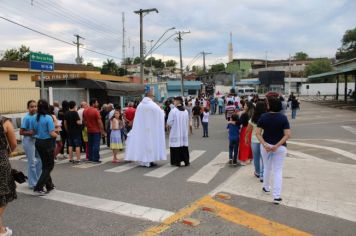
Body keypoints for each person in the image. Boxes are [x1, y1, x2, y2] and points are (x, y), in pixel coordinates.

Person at [256, 97, 291, 205]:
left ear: (269, 105)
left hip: (266, 146)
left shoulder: (263, 117)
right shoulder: (283, 118)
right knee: (278, 171)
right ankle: (277, 196)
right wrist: (276, 145)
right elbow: (287, 135)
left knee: (267, 167)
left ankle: (266, 187)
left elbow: (257, 133)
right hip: (280, 147)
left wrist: (265, 144)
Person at [125, 88, 166, 167]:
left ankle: (143, 161)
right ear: (151, 96)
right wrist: (162, 112)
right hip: (151, 129)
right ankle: (149, 160)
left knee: (143, 144)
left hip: (142, 129)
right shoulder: (153, 105)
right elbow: (160, 114)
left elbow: (137, 118)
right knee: (150, 144)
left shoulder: (140, 105)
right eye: (153, 95)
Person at [32, 99, 58, 195]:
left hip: (38, 142)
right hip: (47, 143)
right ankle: (39, 187)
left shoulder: (35, 117)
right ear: (47, 107)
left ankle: (49, 185)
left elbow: (34, 131)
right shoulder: (48, 117)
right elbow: (52, 133)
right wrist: (58, 135)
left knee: (45, 165)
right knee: (49, 166)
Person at [0, 114, 17, 236]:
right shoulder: (5, 121)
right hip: (1, 161)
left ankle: (1, 229)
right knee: (3, 195)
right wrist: (7, 153)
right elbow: (13, 144)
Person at [20, 100, 41, 189]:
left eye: (35, 106)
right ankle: (33, 184)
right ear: (28, 108)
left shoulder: (37, 117)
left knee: (40, 160)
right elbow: (21, 132)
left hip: (37, 140)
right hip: (28, 141)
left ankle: (35, 179)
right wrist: (30, 132)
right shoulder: (27, 118)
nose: (34, 108)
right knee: (32, 162)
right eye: (32, 107)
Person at [245, 101, 267, 181]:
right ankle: (263, 174)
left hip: (254, 140)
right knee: (264, 158)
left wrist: (246, 138)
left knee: (256, 158)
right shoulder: (266, 117)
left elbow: (248, 130)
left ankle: (257, 172)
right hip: (264, 140)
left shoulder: (253, 118)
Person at [167, 97, 190, 167]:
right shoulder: (185, 111)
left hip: (175, 131)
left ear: (177, 101)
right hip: (183, 132)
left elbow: (169, 122)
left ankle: (177, 162)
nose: (173, 102)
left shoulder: (173, 111)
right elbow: (187, 121)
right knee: (184, 146)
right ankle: (186, 161)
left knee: (176, 146)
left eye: (174, 101)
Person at [83, 99, 105, 163]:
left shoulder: (85, 110)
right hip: (96, 130)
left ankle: (90, 158)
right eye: (96, 102)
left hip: (89, 130)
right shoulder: (96, 111)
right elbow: (99, 122)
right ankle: (95, 159)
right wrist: (102, 131)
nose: (97, 104)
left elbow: (84, 121)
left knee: (90, 145)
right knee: (96, 145)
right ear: (93, 103)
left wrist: (88, 126)